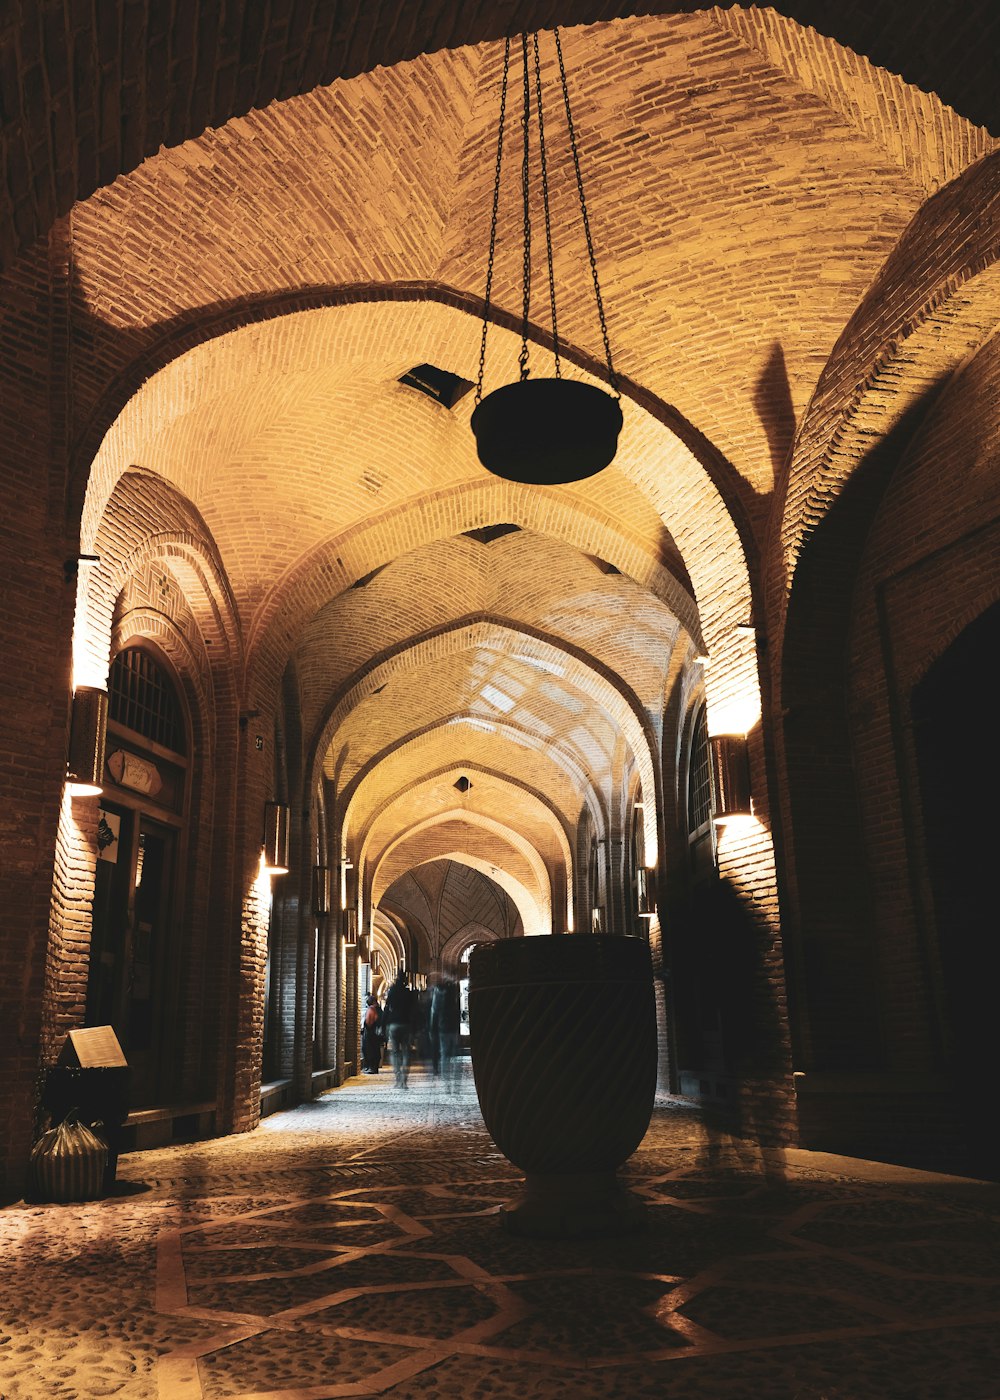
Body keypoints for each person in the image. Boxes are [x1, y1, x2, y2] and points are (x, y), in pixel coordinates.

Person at [383, 969, 415, 1088]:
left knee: (395, 1053)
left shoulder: (392, 991)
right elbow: (413, 1011)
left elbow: (387, 1007)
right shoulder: (408, 993)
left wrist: (383, 1024)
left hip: (394, 1024)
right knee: (406, 1053)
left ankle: (397, 1079)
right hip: (406, 1024)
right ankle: (404, 1080)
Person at [430, 975, 462, 1091]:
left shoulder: (438, 995)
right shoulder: (453, 995)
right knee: (454, 1055)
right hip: (453, 1028)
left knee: (444, 1056)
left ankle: (446, 1083)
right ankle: (456, 1085)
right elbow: (458, 1012)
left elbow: (434, 1013)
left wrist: (432, 1029)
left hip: (443, 1028)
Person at [360, 994, 383, 1074]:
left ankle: (371, 1067)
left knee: (368, 1049)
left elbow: (369, 1021)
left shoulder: (371, 1009)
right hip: (377, 1033)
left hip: (371, 1032)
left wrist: (366, 1027)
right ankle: (374, 1068)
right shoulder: (379, 1009)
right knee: (375, 1049)